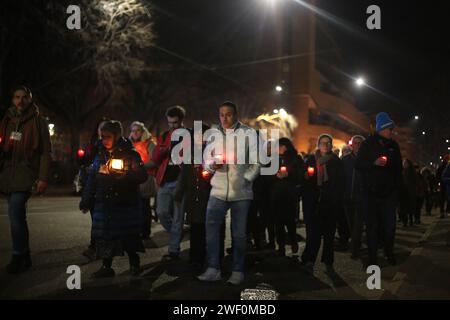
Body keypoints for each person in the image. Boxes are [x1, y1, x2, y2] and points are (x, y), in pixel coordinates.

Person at [198, 101, 260, 285]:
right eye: (222, 114)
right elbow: (206, 159)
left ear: (236, 115)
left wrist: (245, 179)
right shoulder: (214, 135)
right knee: (211, 230)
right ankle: (213, 268)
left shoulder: (248, 134)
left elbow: (257, 162)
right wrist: (211, 165)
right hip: (217, 190)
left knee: (239, 234)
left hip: (241, 193)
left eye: (229, 114)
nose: (225, 118)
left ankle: (238, 270)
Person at [79, 120, 148, 278]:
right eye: (101, 137)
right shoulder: (100, 155)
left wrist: (126, 175)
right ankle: (106, 266)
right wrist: (87, 200)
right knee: (106, 236)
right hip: (104, 202)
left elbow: (142, 175)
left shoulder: (130, 154)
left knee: (129, 235)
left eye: (107, 136)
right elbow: (92, 179)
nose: (104, 140)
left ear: (117, 136)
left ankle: (134, 264)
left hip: (125, 203)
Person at [0, 85, 51, 274]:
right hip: (8, 174)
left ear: (30, 99)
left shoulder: (39, 121)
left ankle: (18, 255)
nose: (20, 101)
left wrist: (42, 178)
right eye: (16, 97)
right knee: (18, 216)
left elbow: (46, 152)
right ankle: (25, 255)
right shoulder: (7, 119)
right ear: (12, 99)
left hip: (26, 174)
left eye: (24, 97)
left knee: (15, 213)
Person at [174, 123, 225, 270]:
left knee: (215, 229)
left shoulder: (217, 152)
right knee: (196, 230)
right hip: (195, 198)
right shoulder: (190, 154)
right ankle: (196, 259)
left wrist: (212, 173)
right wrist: (179, 191)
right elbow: (184, 175)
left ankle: (216, 259)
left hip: (213, 197)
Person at [355, 112, 403, 266]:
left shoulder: (393, 146)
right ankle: (373, 257)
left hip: (389, 195)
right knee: (372, 228)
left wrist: (398, 191)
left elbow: (398, 170)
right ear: (381, 128)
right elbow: (358, 165)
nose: (391, 131)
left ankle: (389, 252)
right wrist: (373, 163)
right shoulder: (368, 144)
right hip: (370, 194)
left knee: (390, 227)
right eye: (389, 129)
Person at [301, 134, 344, 274]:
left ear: (331, 146)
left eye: (328, 143)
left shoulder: (335, 161)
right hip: (315, 201)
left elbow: (339, 181)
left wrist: (335, 197)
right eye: (323, 143)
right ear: (318, 144)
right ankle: (309, 260)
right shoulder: (311, 159)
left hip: (330, 201)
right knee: (314, 233)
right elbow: (304, 179)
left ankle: (328, 260)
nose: (325, 145)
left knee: (329, 233)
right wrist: (307, 177)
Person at [152, 106, 187, 260]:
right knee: (161, 212)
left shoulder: (188, 135)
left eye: (175, 123)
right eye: (170, 122)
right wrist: (164, 150)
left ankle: (174, 250)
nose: (172, 125)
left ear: (181, 121)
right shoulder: (165, 135)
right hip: (165, 181)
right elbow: (156, 158)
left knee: (179, 217)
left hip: (180, 181)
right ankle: (177, 232)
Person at [79, 117, 109, 261]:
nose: (103, 131)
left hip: (104, 186)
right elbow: (84, 161)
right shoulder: (92, 145)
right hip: (91, 184)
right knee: (95, 218)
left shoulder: (110, 146)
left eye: (106, 128)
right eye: (100, 128)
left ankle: (97, 247)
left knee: (100, 219)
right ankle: (96, 246)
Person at [270, 137, 302, 256]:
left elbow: (300, 176)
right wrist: (275, 176)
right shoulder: (273, 159)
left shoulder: (296, 159)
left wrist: (288, 175)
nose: (276, 149)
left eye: (278, 146)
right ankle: (281, 246)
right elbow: (267, 177)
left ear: (284, 146)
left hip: (289, 195)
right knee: (278, 222)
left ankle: (293, 242)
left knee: (290, 221)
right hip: (276, 195)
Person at [129, 121, 157, 242]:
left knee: (144, 206)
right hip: (132, 179)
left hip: (146, 178)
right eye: (133, 130)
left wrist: (139, 166)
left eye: (138, 130)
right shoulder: (129, 144)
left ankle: (145, 231)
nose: (135, 133)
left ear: (142, 131)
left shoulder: (149, 144)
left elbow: (154, 161)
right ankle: (135, 230)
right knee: (134, 205)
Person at [341, 135, 365, 259]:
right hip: (347, 198)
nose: (358, 145)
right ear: (351, 145)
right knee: (351, 225)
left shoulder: (367, 160)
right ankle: (357, 243)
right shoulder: (345, 160)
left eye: (360, 143)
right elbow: (340, 178)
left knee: (358, 224)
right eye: (356, 143)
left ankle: (355, 249)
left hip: (361, 199)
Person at [399, 159, 418, 227]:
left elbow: (415, 182)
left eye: (405, 163)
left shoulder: (411, 172)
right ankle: (405, 222)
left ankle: (410, 221)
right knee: (404, 208)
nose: (404, 164)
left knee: (409, 208)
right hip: (404, 192)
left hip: (409, 192)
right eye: (404, 163)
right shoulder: (402, 172)